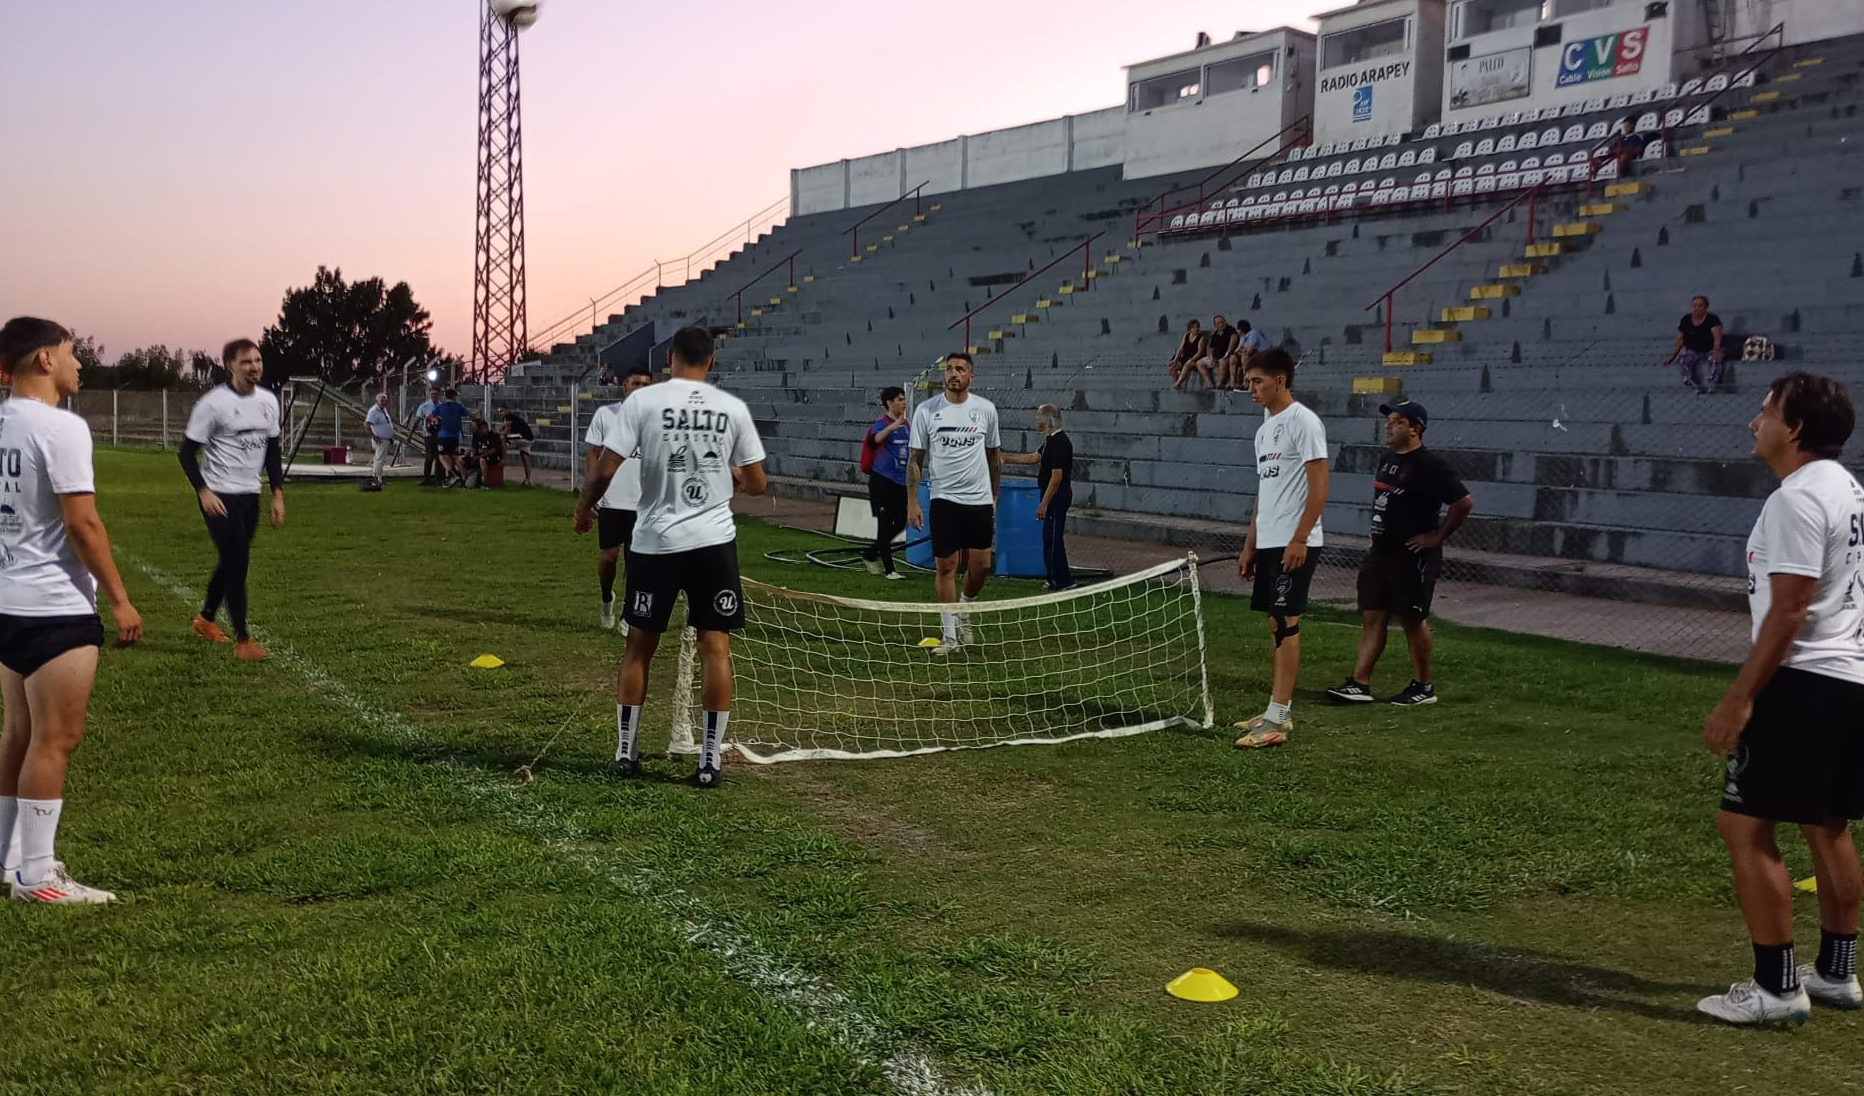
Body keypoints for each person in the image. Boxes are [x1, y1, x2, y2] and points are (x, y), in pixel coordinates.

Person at [1697, 372, 1864, 1027]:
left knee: (1743, 824)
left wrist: (1739, 699)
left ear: (1794, 428)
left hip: (1802, 680)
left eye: (1765, 411)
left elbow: (1790, 608)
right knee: (1826, 822)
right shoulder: (1849, 490)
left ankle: (1775, 988)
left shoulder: (1797, 499)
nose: (1753, 422)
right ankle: (1836, 975)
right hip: (1848, 676)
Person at [573, 327, 766, 789]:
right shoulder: (731, 409)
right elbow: (757, 484)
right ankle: (708, 761)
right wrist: (733, 472)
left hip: (656, 541)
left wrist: (584, 508)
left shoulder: (642, 403)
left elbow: (606, 467)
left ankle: (625, 751)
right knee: (715, 648)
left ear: (670, 359)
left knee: (640, 645)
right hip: (713, 542)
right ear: (712, 363)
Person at [0, 317, 144, 904]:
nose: (78, 362)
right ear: (43, 361)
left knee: (18, 733)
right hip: (53, 608)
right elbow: (81, 521)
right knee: (55, 739)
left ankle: (7, 860)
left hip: (7, 601)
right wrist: (120, 599)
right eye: (71, 351)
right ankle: (38, 874)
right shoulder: (59, 426)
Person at [1325, 401, 1473, 707]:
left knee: (1412, 618)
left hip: (1412, 554)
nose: (1389, 426)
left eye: (1398, 421)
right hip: (1381, 552)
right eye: (1388, 421)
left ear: (1415, 429)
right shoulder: (1387, 459)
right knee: (1373, 615)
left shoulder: (1430, 465)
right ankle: (1360, 683)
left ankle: (1423, 686)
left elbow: (1463, 502)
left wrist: (1436, 536)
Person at [1235, 348, 1329, 749]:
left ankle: (1280, 717)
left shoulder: (1303, 422)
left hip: (1295, 542)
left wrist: (1299, 538)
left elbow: (1320, 484)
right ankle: (1274, 711)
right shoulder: (1263, 430)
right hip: (1270, 542)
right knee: (1275, 622)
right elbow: (1264, 492)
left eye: (1257, 381)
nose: (1250, 388)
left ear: (1281, 381)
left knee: (1287, 622)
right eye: (1249, 381)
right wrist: (1250, 545)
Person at [179, 338, 285, 662]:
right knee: (238, 562)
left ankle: (206, 619)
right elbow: (185, 454)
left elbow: (273, 450)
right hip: (219, 494)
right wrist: (204, 491)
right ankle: (243, 640)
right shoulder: (212, 404)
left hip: (249, 493)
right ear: (230, 366)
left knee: (231, 560)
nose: (254, 367)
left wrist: (277, 493)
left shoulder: (268, 401)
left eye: (257, 360)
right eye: (245, 362)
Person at [908, 353, 1002, 655]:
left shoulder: (985, 410)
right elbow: (915, 460)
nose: (953, 374)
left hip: (978, 499)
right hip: (944, 498)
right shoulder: (927, 410)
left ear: (970, 376)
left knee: (982, 565)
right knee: (946, 565)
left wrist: (994, 496)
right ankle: (949, 636)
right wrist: (912, 500)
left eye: (960, 369)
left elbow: (994, 457)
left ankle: (965, 607)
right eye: (948, 369)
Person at [582, 365, 654, 629]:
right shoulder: (607, 415)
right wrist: (592, 489)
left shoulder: (657, 419)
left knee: (636, 561)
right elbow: (593, 452)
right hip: (612, 500)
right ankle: (606, 597)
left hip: (644, 502)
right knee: (609, 558)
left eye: (646, 385)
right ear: (624, 386)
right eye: (636, 384)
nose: (640, 389)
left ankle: (628, 612)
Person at [1005, 404, 1074, 589]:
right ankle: (1053, 578)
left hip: (1057, 496)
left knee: (1053, 538)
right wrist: (1006, 458)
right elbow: (1035, 457)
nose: (1036, 419)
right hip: (1051, 495)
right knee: (1049, 537)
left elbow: (1057, 477)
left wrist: (1044, 503)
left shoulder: (1059, 442)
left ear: (1047, 419)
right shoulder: (1050, 440)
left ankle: (1063, 580)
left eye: (1038, 416)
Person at [861, 386, 910, 580]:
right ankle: (889, 569)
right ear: (890, 403)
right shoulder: (881, 423)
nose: (904, 402)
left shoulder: (906, 425)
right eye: (899, 399)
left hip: (900, 481)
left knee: (900, 522)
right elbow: (874, 441)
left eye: (904, 399)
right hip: (883, 481)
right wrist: (892, 426)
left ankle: (871, 553)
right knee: (884, 523)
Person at [1665, 295, 1726, 394]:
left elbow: (1717, 338)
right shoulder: (1685, 320)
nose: (1697, 308)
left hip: (1709, 350)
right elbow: (1680, 339)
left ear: (1706, 307)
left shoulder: (1712, 319)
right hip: (1693, 350)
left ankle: (1712, 384)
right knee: (1683, 360)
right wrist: (1673, 356)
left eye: (1700, 306)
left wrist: (1716, 351)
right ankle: (1694, 385)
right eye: (1695, 305)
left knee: (1715, 360)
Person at [434, 388, 471, 486]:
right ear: (454, 396)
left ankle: (451, 474)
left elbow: (432, 415)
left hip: (443, 436)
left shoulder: (441, 406)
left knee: (442, 456)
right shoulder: (458, 407)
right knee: (455, 456)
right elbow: (468, 414)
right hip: (455, 436)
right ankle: (464, 480)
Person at [497, 404, 535, 486]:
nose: (500, 413)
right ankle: (528, 479)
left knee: (501, 438)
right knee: (525, 455)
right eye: (499, 412)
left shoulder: (508, 417)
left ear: (507, 410)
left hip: (522, 436)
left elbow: (506, 432)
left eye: (502, 411)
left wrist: (500, 431)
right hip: (529, 438)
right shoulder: (511, 418)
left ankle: (504, 457)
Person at [1167, 319, 1209, 391]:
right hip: (1185, 358)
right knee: (1173, 367)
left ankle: (1178, 383)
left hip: (1195, 359)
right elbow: (1180, 349)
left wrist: (1191, 359)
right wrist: (1175, 360)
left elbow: (1200, 352)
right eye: (1194, 327)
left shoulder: (1201, 338)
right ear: (1190, 329)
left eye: (1197, 327)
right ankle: (1178, 385)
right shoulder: (1186, 336)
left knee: (1187, 365)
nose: (1196, 329)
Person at [364, 392, 395, 489]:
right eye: (382, 400)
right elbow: (366, 424)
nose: (384, 402)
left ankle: (379, 479)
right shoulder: (373, 411)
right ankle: (376, 479)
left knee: (380, 460)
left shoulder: (383, 410)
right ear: (377, 401)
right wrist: (373, 436)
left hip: (385, 439)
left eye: (385, 400)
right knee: (379, 460)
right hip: (380, 439)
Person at [413, 384, 443, 485]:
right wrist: (413, 429)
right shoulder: (424, 406)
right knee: (429, 457)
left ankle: (438, 479)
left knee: (439, 458)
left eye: (436, 394)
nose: (434, 396)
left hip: (440, 436)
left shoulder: (442, 407)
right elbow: (417, 419)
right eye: (432, 394)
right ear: (430, 394)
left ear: (439, 395)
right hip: (429, 435)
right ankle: (427, 479)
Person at [1203, 315, 1241, 391]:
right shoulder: (1215, 334)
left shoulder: (1231, 330)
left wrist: (1226, 355)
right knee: (1199, 363)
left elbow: (1233, 342)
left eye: (1222, 322)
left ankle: (1220, 383)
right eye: (1218, 323)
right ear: (1215, 325)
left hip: (1228, 356)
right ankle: (1209, 384)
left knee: (1222, 362)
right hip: (1217, 357)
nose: (1221, 324)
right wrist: (1211, 357)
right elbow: (1211, 348)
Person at [468, 416, 504, 489]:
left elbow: (493, 450)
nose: (474, 428)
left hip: (492, 458)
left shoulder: (494, 436)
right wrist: (472, 455)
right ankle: (466, 481)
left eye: (475, 426)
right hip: (478, 456)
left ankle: (484, 483)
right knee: (461, 460)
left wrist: (477, 457)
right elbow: (474, 447)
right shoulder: (476, 436)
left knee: (482, 460)